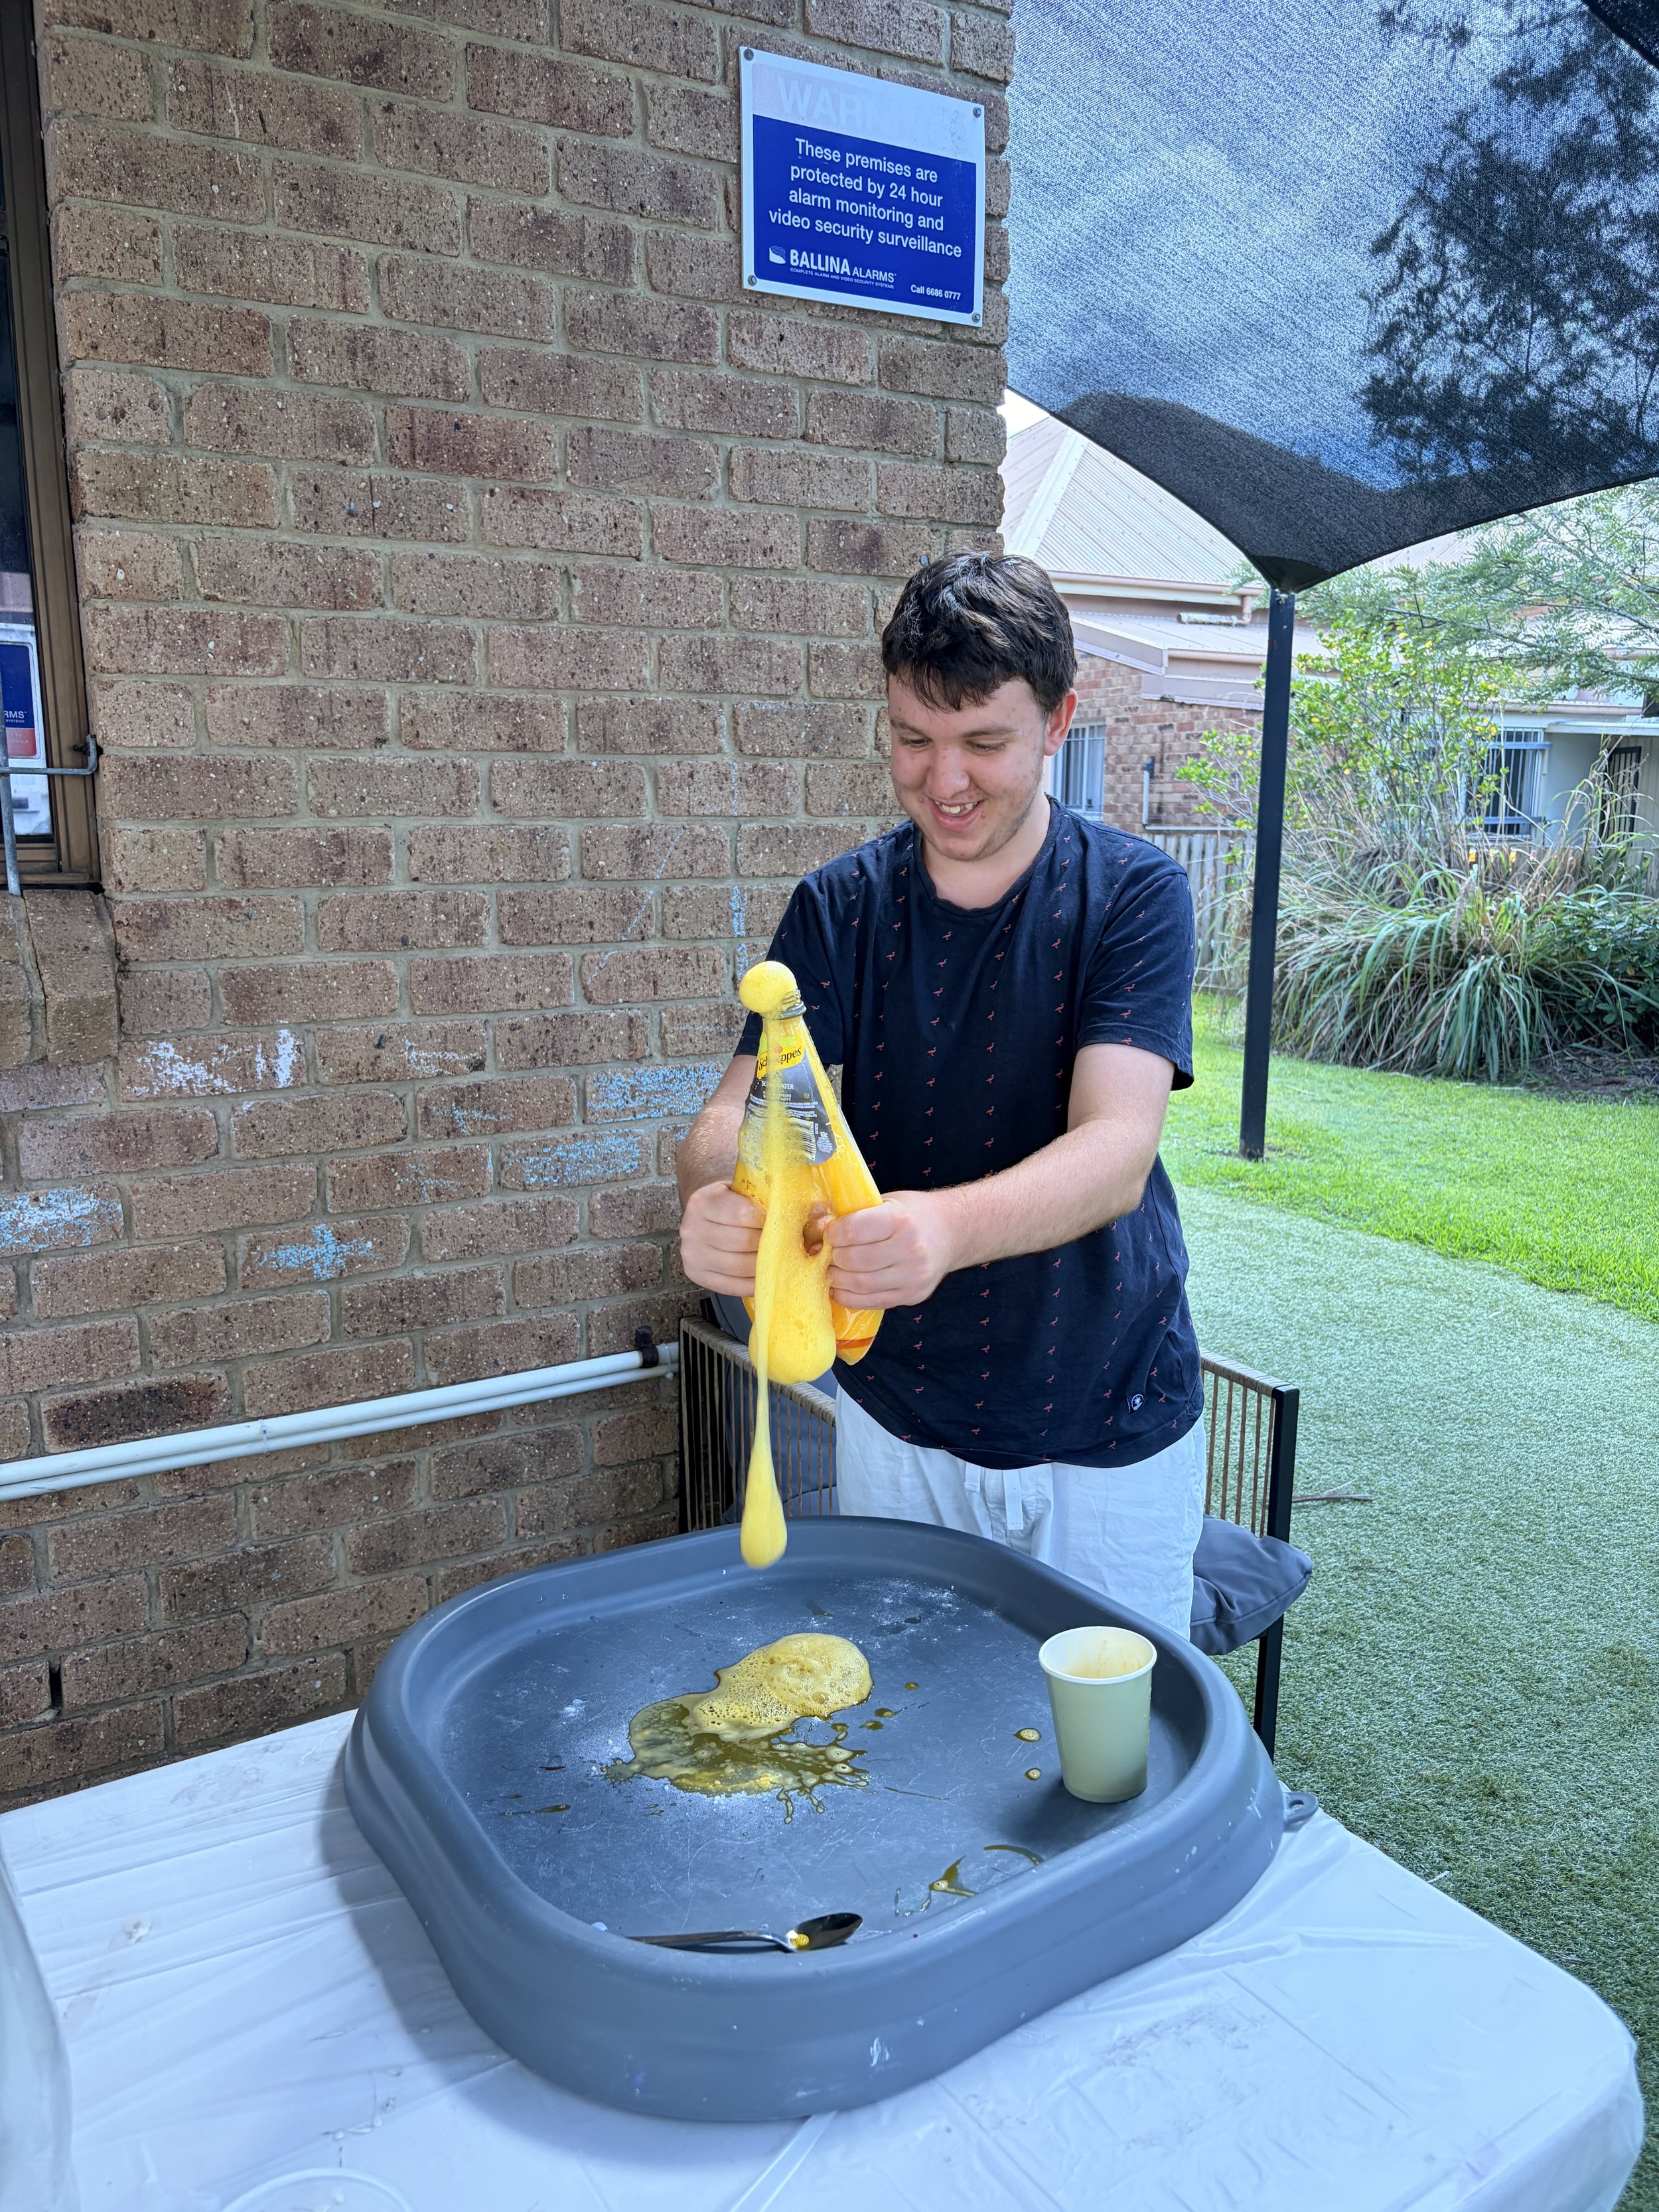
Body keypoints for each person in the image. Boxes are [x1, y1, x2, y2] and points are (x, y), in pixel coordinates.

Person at [676, 552, 1206, 1637]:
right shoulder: (836, 907)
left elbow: (1117, 1148)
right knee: (914, 1715)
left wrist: (946, 1229)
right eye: (913, 738)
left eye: (983, 742)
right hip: (899, 1419)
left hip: (1106, 1424)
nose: (944, 779)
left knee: (1106, 1730)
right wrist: (723, 1192)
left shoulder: (1134, 894)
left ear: (1058, 723)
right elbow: (745, 1108)